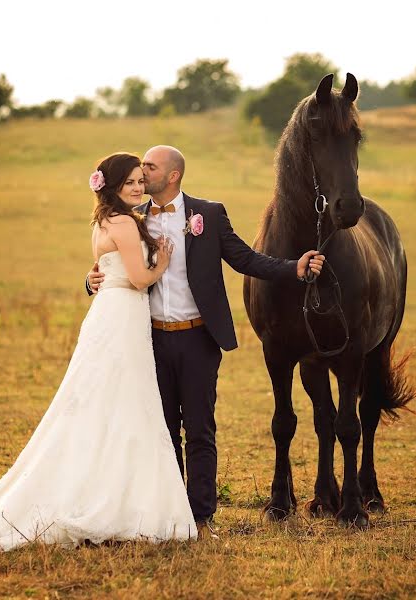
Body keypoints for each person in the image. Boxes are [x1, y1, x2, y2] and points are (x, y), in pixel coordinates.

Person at [0, 153, 197, 552]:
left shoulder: (103, 222)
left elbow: (105, 270)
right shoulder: (126, 222)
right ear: (110, 186)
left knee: (107, 403)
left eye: (139, 181)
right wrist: (160, 262)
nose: (138, 187)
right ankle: (117, 498)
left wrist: (96, 279)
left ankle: (107, 488)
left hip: (109, 317)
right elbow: (138, 279)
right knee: (125, 402)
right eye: (129, 182)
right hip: (124, 317)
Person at [86, 146, 324, 539]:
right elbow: (111, 264)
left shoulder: (208, 215)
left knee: (200, 430)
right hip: (149, 342)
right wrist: (90, 281)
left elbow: (246, 259)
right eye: (140, 167)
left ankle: (200, 518)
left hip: (198, 338)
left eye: (150, 166)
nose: (143, 173)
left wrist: (293, 267)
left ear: (173, 175)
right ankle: (166, 514)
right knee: (160, 431)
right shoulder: (133, 216)